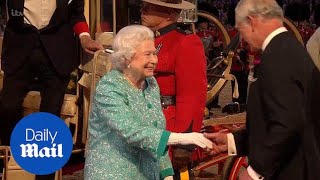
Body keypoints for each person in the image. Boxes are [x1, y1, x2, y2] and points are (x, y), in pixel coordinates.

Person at [205, 0, 320, 180]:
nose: (241, 38)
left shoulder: (278, 55)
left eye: (240, 29)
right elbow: (271, 119)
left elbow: (287, 124)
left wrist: (255, 171)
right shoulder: (286, 48)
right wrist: (232, 141)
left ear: (251, 22)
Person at [84, 25, 213, 180]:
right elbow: (132, 131)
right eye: (148, 55)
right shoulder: (110, 87)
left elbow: (157, 128)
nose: (154, 60)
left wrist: (167, 174)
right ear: (127, 58)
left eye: (155, 54)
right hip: (113, 173)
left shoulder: (150, 83)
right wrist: (182, 138)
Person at [0, 1, 102, 179]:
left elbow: (76, 14)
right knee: (7, 107)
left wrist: (84, 37)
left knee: (50, 115)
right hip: (20, 50)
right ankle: (11, 160)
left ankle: (45, 174)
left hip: (56, 54)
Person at [140, 0, 207, 172]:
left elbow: (192, 97)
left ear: (169, 13)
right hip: (145, 127)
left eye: (150, 7)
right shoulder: (146, 41)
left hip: (169, 128)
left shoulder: (185, 42)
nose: (143, 10)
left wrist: (185, 142)